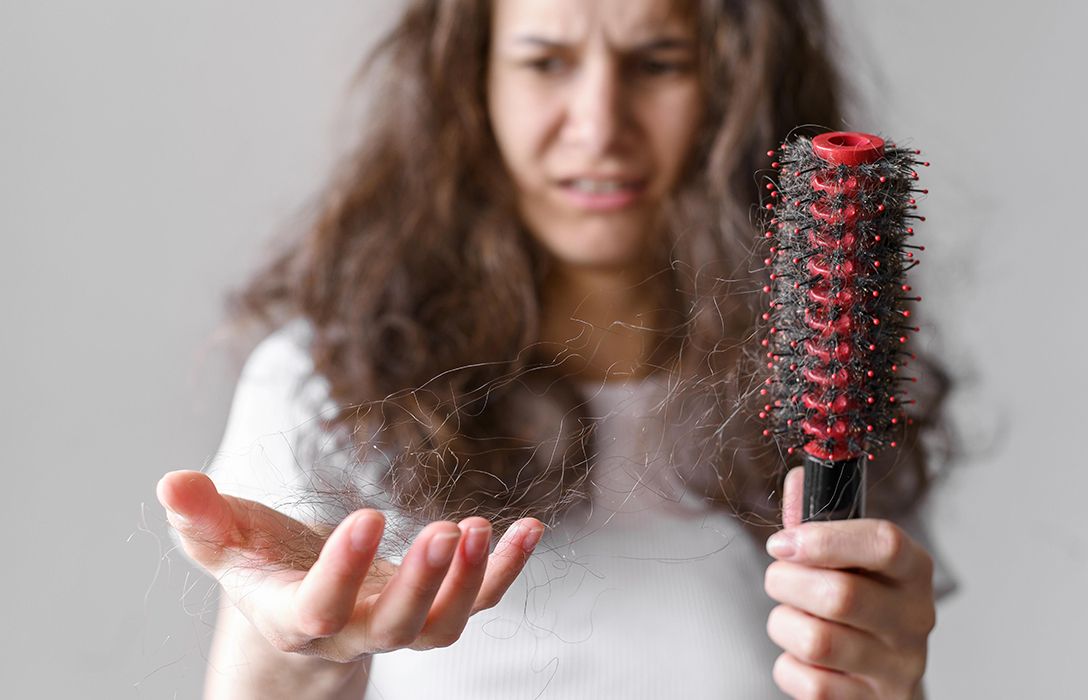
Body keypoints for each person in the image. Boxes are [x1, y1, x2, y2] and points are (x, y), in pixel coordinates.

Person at [157, 1, 948, 697]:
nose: (599, 125)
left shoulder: (828, 389)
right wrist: (301, 653)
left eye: (657, 62)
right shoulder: (324, 386)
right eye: (546, 62)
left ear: (735, 85)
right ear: (474, 82)